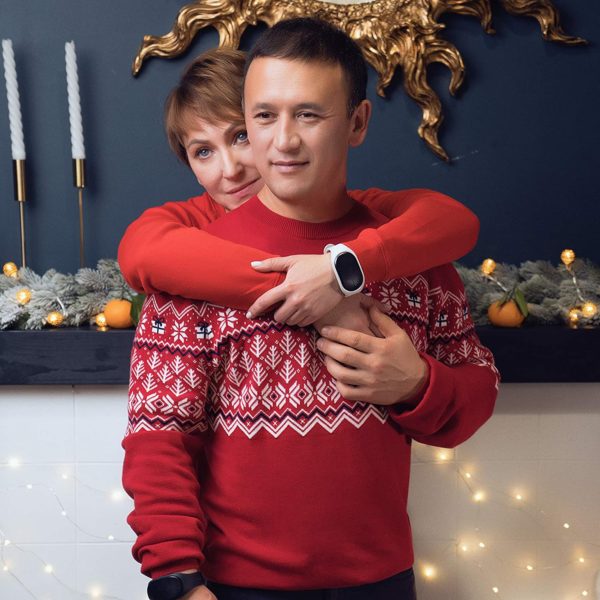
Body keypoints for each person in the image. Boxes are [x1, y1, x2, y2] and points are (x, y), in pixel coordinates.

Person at [121, 19, 498, 600]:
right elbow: (160, 438)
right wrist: (177, 580)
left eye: (308, 115)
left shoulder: (409, 256)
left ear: (357, 123)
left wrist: (417, 384)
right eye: (264, 116)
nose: (284, 141)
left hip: (381, 582)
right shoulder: (189, 269)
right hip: (232, 586)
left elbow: (475, 394)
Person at [117, 50, 481, 326]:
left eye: (241, 136)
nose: (230, 170)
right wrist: (306, 292)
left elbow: (453, 221)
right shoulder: (191, 221)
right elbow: (141, 254)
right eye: (203, 152)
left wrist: (340, 271)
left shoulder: (353, 212)